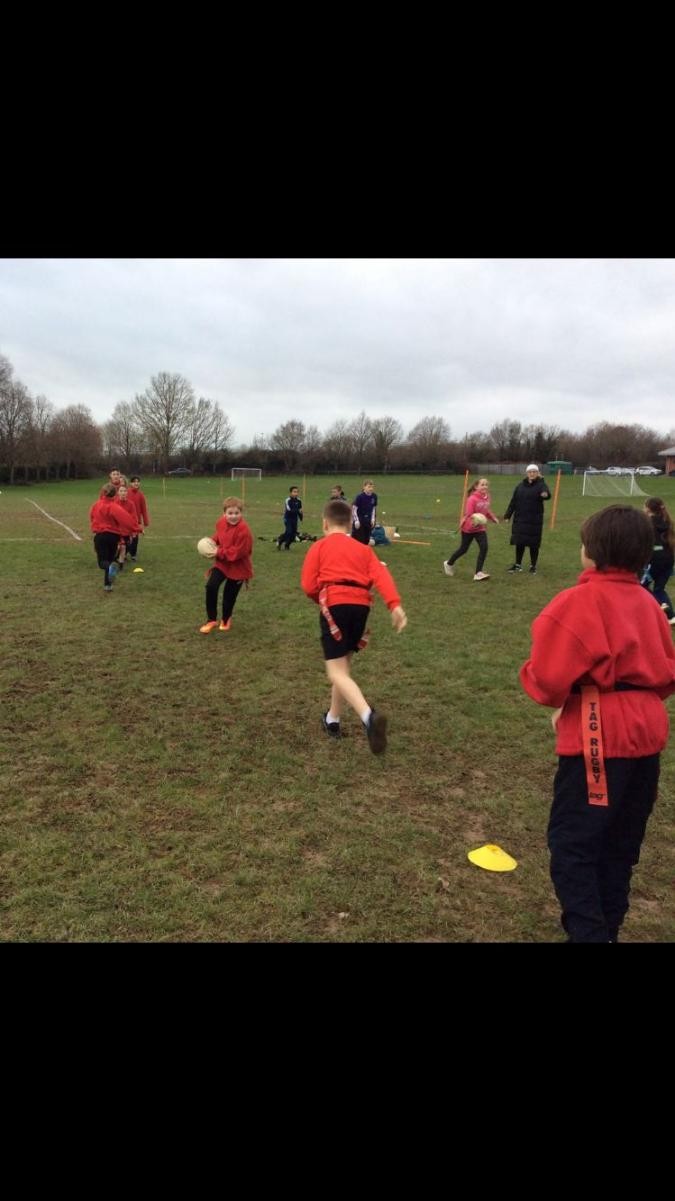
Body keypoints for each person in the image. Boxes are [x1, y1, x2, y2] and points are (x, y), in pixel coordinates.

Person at [519, 504, 675, 943]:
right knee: (619, 847)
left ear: (593, 550)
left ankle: (590, 933)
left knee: (573, 845)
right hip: (646, 733)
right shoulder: (649, 603)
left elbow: (547, 678)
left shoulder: (578, 602)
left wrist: (571, 697)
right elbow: (665, 671)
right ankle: (606, 926)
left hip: (600, 736)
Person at [301, 498, 407, 753]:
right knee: (344, 666)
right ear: (350, 524)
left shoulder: (319, 546)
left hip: (335, 604)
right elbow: (381, 575)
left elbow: (308, 585)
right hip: (360, 607)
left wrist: (322, 599)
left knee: (335, 671)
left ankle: (368, 716)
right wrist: (394, 605)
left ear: (324, 524)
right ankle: (332, 720)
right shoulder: (363, 549)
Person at [200, 497, 253, 634]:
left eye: (237, 513)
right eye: (230, 513)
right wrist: (211, 542)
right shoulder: (221, 522)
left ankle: (225, 619)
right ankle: (211, 619)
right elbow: (219, 535)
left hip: (239, 567)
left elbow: (238, 553)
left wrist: (217, 551)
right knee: (211, 586)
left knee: (229, 595)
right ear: (224, 513)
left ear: (241, 513)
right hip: (223, 564)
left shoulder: (244, 531)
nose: (233, 516)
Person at [443, 478, 498, 581]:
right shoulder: (472, 499)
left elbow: (487, 510)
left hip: (480, 528)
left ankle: (478, 573)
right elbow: (469, 515)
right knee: (463, 549)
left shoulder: (487, 497)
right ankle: (449, 563)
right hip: (469, 528)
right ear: (476, 487)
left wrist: (492, 518)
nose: (485, 486)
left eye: (486, 484)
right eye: (482, 484)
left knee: (484, 547)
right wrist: (476, 520)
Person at [89, 484, 138, 592]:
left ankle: (110, 571)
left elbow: (92, 517)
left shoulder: (96, 505)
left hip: (101, 536)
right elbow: (126, 519)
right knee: (109, 560)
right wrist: (136, 528)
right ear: (115, 494)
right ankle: (108, 585)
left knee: (103, 562)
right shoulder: (114, 507)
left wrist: (95, 526)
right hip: (113, 537)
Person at [503, 464, 550, 574]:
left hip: (534, 521)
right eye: (530, 472)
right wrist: (508, 515)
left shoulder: (541, 485)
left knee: (533, 544)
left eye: (534, 472)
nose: (532, 474)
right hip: (520, 519)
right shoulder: (520, 486)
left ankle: (533, 566)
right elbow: (513, 501)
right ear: (527, 473)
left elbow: (546, 493)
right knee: (520, 542)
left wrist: (545, 493)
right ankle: (518, 565)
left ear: (538, 473)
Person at [642, 497, 675, 623]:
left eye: (644, 506)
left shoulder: (647, 523)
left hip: (654, 560)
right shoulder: (667, 521)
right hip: (669, 559)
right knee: (659, 589)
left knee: (641, 586)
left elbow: (644, 541)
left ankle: (660, 608)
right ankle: (671, 616)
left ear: (648, 508)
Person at [114, 484, 138, 569]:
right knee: (120, 546)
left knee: (126, 547)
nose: (123, 493)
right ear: (118, 493)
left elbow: (134, 517)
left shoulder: (131, 504)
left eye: (125, 491)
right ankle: (119, 562)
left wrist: (134, 530)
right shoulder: (114, 503)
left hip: (127, 531)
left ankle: (119, 560)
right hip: (116, 531)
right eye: (121, 491)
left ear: (127, 493)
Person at [128, 476, 150, 561]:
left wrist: (146, 521)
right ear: (131, 483)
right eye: (134, 482)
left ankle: (133, 554)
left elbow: (143, 509)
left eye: (138, 482)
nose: (136, 483)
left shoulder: (141, 495)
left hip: (136, 520)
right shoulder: (127, 493)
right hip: (126, 519)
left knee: (135, 538)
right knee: (126, 537)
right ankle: (124, 553)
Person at [276, 485, 304, 550]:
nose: (296, 493)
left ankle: (287, 545)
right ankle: (280, 540)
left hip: (295, 519)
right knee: (289, 532)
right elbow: (289, 510)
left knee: (293, 534)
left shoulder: (299, 501)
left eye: (297, 492)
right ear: (290, 493)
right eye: (294, 492)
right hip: (288, 518)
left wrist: (301, 518)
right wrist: (298, 510)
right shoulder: (288, 500)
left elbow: (300, 510)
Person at [351, 480, 378, 545]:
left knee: (366, 540)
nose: (371, 489)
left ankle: (364, 553)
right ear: (364, 487)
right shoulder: (360, 497)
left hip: (368, 520)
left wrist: (373, 519)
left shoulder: (374, 496)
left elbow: (373, 508)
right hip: (360, 520)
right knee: (359, 539)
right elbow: (354, 509)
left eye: (372, 487)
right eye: (369, 487)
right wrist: (356, 520)